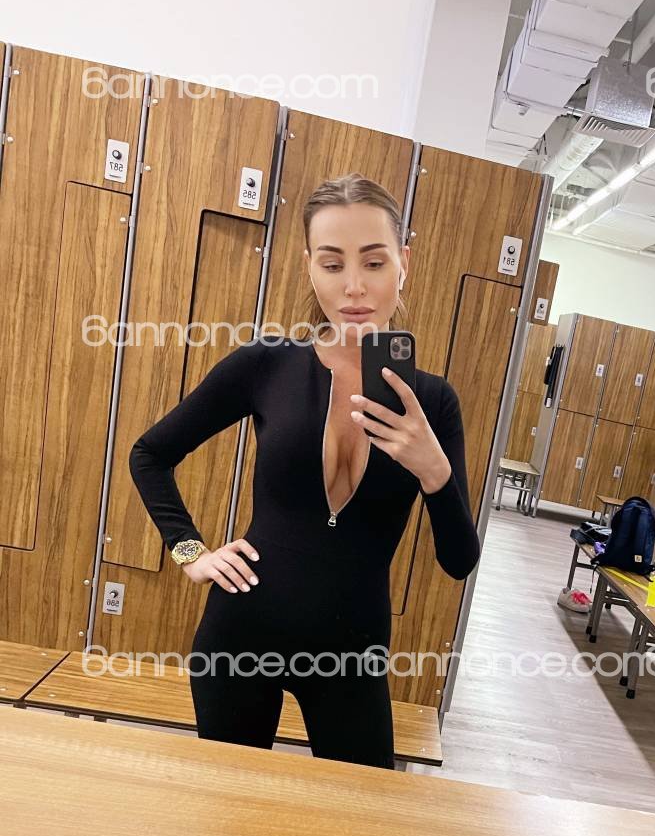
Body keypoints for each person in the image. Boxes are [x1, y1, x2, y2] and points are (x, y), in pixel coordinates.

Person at [129, 173, 480, 770]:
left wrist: (434, 472)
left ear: (404, 264)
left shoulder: (433, 402)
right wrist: (191, 553)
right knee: (230, 809)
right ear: (309, 267)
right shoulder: (266, 364)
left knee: (357, 815)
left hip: (352, 655)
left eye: (374, 262)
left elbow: (458, 561)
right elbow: (150, 454)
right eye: (332, 263)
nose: (353, 286)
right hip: (242, 635)